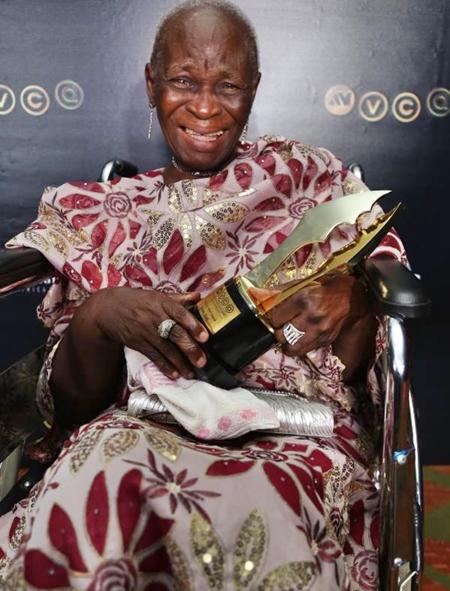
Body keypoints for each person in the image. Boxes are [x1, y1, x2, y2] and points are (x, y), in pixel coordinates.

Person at [0, 1, 405, 589]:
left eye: (229, 86)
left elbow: (370, 323)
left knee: (260, 509)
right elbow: (72, 411)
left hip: (295, 435)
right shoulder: (97, 215)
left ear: (254, 89)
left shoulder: (308, 179)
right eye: (184, 81)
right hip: (141, 428)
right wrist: (99, 315)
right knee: (104, 484)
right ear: (152, 83)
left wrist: (357, 295)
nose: (206, 107)